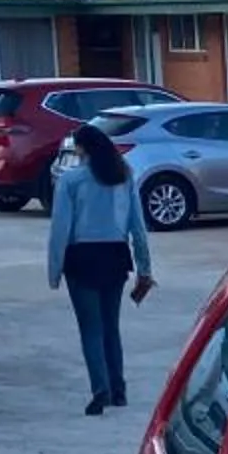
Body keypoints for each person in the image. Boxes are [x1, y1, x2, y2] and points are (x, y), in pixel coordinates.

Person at [46, 123, 155, 415]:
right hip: (115, 255)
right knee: (110, 327)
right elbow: (137, 226)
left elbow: (60, 229)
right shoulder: (124, 176)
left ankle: (100, 389)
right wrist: (145, 267)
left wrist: (54, 269)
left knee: (90, 328)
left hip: (81, 257)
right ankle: (118, 389)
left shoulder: (71, 181)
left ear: (82, 148)